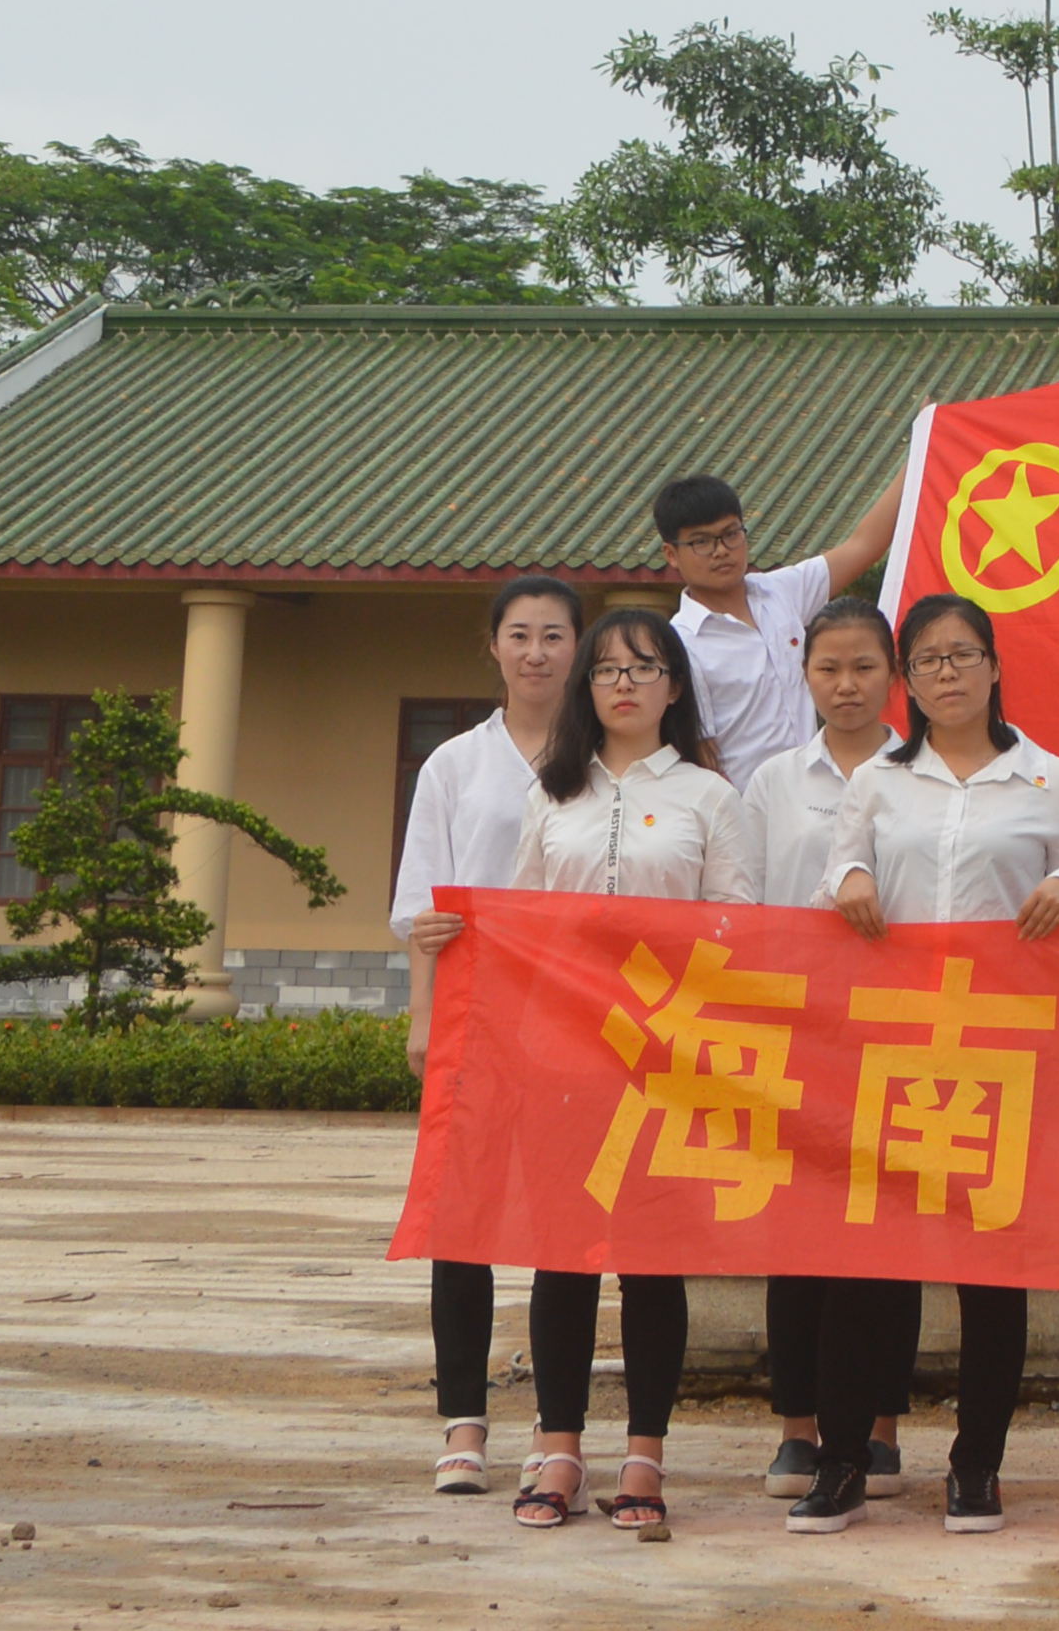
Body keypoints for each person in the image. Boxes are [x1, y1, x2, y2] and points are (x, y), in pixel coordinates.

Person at [792, 590, 1059, 1537]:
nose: (948, 673)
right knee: (868, 1264)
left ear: (996, 666)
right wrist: (850, 885)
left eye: (964, 656)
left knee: (989, 1269)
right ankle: (843, 1459)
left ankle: (977, 1467)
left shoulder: (1052, 780)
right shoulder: (879, 781)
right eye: (928, 660)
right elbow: (837, 872)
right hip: (889, 1053)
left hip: (1004, 1054)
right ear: (908, 681)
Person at [508, 608, 755, 1536]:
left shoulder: (707, 797)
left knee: (653, 1263)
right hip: (563, 1058)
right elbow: (522, 919)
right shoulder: (551, 793)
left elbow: (737, 921)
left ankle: (646, 1457)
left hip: (668, 1058)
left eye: (644, 668)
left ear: (674, 687)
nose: (623, 683)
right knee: (562, 1258)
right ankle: (559, 1446)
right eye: (607, 669)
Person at [394, 574, 583, 1500]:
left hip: (575, 1023)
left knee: (561, 1225)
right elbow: (425, 908)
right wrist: (423, 1018)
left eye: (554, 635)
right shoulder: (454, 766)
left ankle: (556, 1431)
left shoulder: (606, 759)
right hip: (476, 1010)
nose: (537, 652)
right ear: (494, 647)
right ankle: (463, 1422)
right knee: (461, 1223)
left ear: (578, 648)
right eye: (521, 635)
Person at [737, 598, 904, 1508]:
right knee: (798, 1234)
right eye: (828, 670)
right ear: (804, 674)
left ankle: (880, 1426)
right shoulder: (772, 782)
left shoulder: (922, 772)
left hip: (897, 1029)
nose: (846, 686)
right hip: (799, 1029)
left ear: (893, 676)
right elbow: (755, 904)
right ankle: (798, 1429)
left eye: (865, 670)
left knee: (891, 1234)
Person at [644, 464, 900, 793]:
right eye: (701, 542)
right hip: (747, 812)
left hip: (823, 796)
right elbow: (701, 755)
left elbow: (864, 545)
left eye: (730, 534)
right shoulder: (679, 642)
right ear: (671, 554)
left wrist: (921, 440)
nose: (721, 550)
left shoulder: (781, 592)